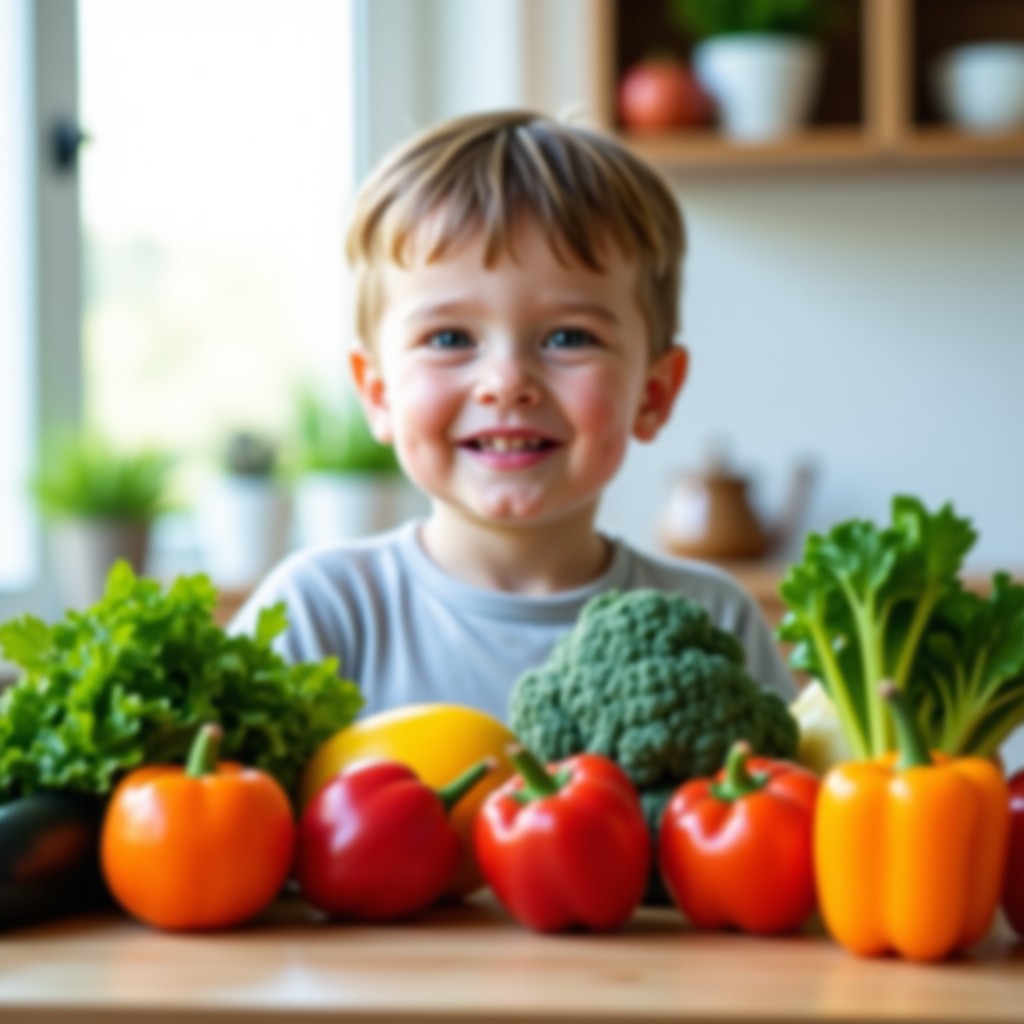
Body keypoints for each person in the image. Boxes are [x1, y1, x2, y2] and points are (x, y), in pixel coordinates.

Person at [230, 109, 796, 720]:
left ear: (653, 395)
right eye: (449, 340)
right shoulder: (320, 613)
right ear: (378, 394)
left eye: (567, 338)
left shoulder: (716, 622)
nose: (506, 383)